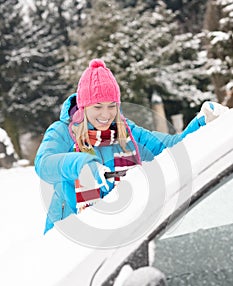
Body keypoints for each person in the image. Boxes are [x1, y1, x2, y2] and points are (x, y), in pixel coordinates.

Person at [34, 59, 229, 233]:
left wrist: (202, 122)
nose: (106, 114)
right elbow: (43, 164)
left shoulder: (126, 131)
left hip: (115, 234)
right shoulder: (63, 132)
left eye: (112, 106)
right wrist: (81, 164)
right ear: (84, 106)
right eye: (98, 106)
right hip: (67, 235)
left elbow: (170, 148)